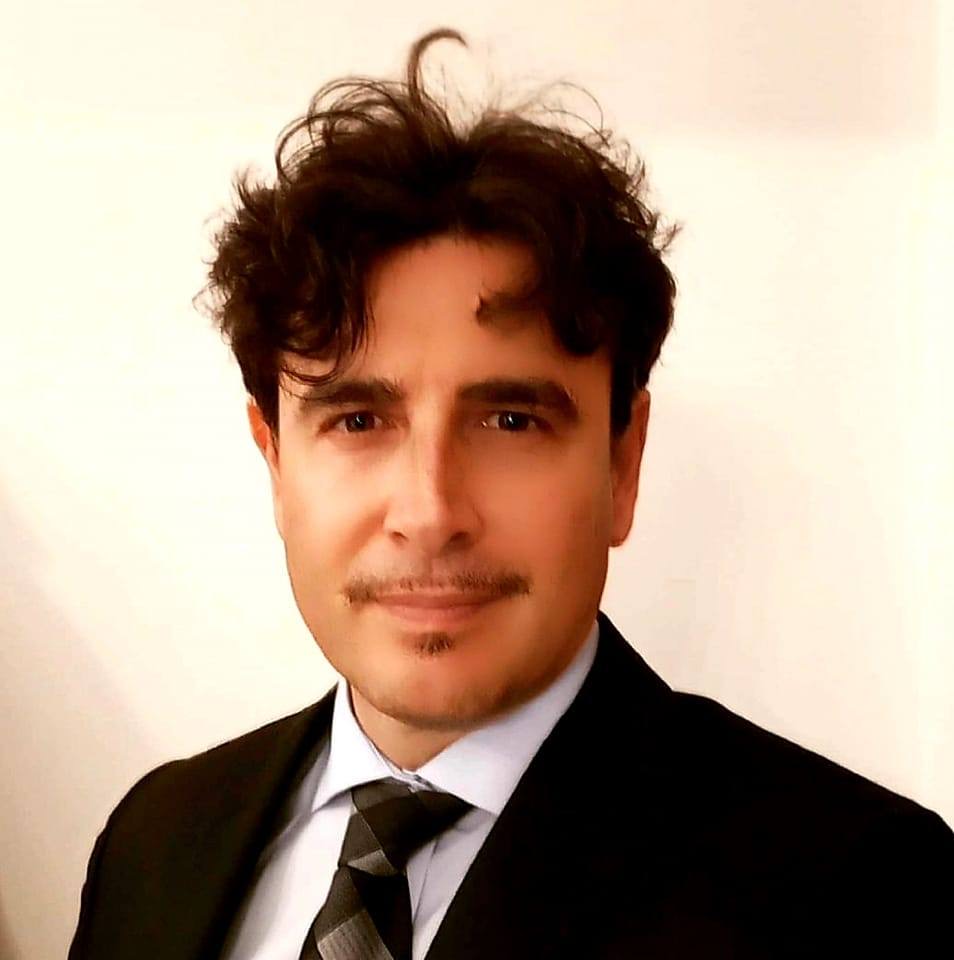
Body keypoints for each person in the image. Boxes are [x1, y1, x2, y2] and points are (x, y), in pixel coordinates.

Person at [68, 27, 952, 960]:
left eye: (510, 421)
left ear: (622, 464)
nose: (430, 512)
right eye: (358, 421)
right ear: (275, 465)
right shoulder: (152, 840)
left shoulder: (864, 894)